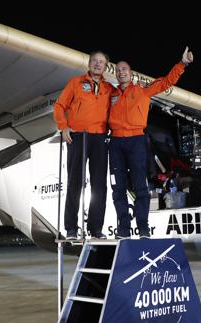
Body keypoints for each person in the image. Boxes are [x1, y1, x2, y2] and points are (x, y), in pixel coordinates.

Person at [108, 47, 194, 239]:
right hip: (115, 143)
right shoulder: (110, 94)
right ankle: (123, 229)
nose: (121, 72)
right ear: (116, 74)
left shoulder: (143, 92)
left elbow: (166, 82)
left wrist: (182, 64)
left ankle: (143, 227)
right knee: (118, 188)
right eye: (118, 70)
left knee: (140, 186)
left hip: (137, 141)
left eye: (125, 70)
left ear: (131, 74)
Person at [53, 51, 113, 240]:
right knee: (75, 183)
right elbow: (59, 106)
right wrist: (63, 127)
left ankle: (95, 229)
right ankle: (71, 228)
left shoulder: (109, 88)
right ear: (89, 64)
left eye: (101, 62)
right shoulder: (75, 83)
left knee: (99, 186)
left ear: (105, 67)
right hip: (78, 136)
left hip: (100, 138)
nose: (97, 64)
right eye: (94, 61)